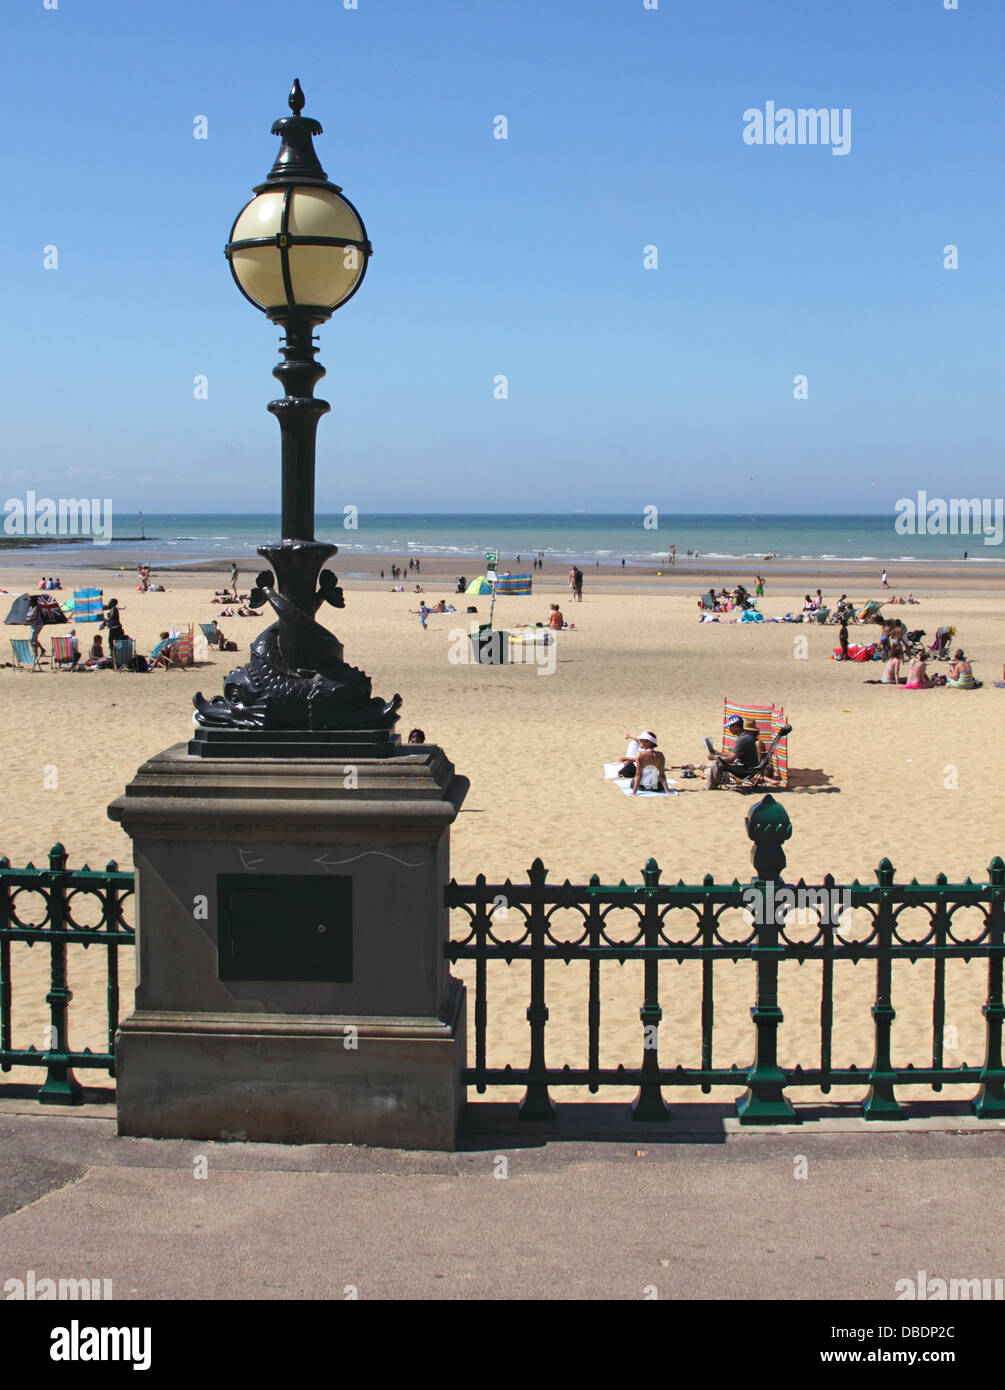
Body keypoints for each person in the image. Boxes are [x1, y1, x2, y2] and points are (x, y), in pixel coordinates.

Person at [705, 715, 761, 789]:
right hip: (750, 767)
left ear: (736, 727)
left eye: (730, 727)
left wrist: (715, 758)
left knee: (717, 763)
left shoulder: (742, 739)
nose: (729, 729)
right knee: (719, 761)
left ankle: (710, 787)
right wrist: (718, 753)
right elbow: (735, 753)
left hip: (746, 770)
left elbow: (731, 758)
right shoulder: (745, 736)